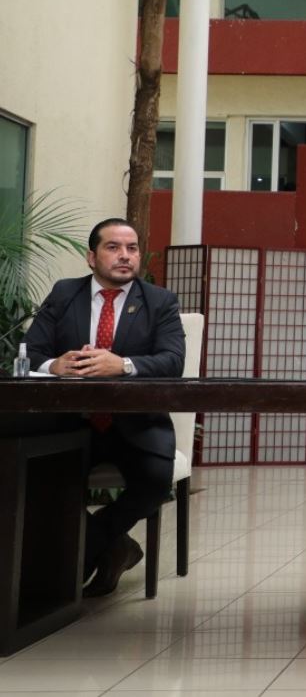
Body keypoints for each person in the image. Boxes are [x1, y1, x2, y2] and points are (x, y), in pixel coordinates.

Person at [24, 218, 185, 597]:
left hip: (136, 423)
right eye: (113, 247)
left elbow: (173, 360)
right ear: (91, 257)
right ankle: (118, 549)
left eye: (132, 249)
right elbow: (30, 352)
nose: (125, 256)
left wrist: (124, 365)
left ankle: (88, 546)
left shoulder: (159, 301)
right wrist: (53, 365)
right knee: (36, 477)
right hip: (72, 423)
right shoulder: (65, 295)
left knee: (153, 481)